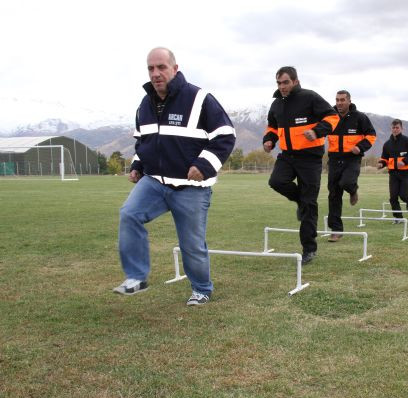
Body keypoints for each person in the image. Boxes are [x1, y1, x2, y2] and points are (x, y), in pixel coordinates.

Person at [113, 47, 235, 306]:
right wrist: (137, 165)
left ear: (175, 68)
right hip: (154, 182)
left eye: (161, 67)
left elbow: (225, 135)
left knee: (191, 244)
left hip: (192, 187)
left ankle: (202, 289)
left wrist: (204, 165)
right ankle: (136, 277)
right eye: (151, 68)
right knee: (129, 214)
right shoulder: (145, 104)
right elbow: (144, 142)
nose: (156, 73)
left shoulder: (200, 99)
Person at [263, 66, 339, 264]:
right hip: (287, 156)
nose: (282, 87)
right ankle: (300, 200)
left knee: (309, 204)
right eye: (279, 83)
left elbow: (332, 117)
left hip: (310, 158)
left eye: (285, 82)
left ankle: (309, 249)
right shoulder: (277, 104)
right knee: (276, 182)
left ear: (295, 81)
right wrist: (269, 139)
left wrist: (317, 131)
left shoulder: (310, 97)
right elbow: (272, 126)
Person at [326, 90, 376, 242]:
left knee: (346, 183)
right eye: (337, 100)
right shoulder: (330, 117)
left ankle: (353, 190)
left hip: (352, 159)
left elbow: (371, 135)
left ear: (349, 101)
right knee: (334, 195)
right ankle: (336, 230)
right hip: (334, 160)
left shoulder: (360, 117)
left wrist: (360, 147)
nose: (339, 103)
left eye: (342, 100)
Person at [377, 119, 408, 223]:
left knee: (403, 195)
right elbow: (385, 158)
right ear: (391, 128)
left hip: (406, 173)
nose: (395, 130)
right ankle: (398, 218)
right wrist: (381, 164)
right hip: (393, 174)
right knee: (393, 197)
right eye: (393, 128)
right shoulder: (387, 144)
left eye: (397, 128)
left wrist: (404, 162)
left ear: (402, 128)